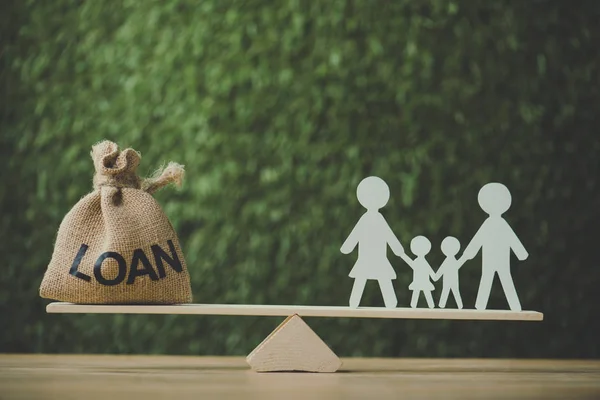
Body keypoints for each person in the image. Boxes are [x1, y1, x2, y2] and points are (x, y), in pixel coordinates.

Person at [461, 182, 528, 311]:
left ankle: (486, 306)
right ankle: (483, 306)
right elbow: (478, 240)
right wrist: (521, 253)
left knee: (496, 278)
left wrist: (521, 253)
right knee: (493, 278)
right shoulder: (493, 224)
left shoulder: (497, 224)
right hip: (492, 260)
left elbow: (511, 239)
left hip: (499, 260)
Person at [341, 176, 404, 308]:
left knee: (379, 278)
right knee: (363, 278)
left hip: (377, 258)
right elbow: (356, 234)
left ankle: (391, 303)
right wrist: (348, 246)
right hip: (368, 258)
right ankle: (354, 303)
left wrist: (397, 248)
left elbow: (388, 235)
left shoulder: (377, 219)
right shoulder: (367, 219)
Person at [400, 236, 436, 308]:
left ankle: (429, 305)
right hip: (422, 281)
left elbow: (411, 264)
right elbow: (431, 272)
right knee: (419, 292)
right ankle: (428, 305)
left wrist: (403, 256)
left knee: (420, 292)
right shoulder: (422, 262)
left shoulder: (421, 262)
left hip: (422, 281)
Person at [433, 236, 465, 309]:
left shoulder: (449, 261)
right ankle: (457, 305)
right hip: (450, 280)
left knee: (451, 291)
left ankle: (458, 305)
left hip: (451, 280)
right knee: (451, 291)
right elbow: (457, 265)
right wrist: (464, 258)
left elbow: (442, 270)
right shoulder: (449, 261)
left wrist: (436, 276)